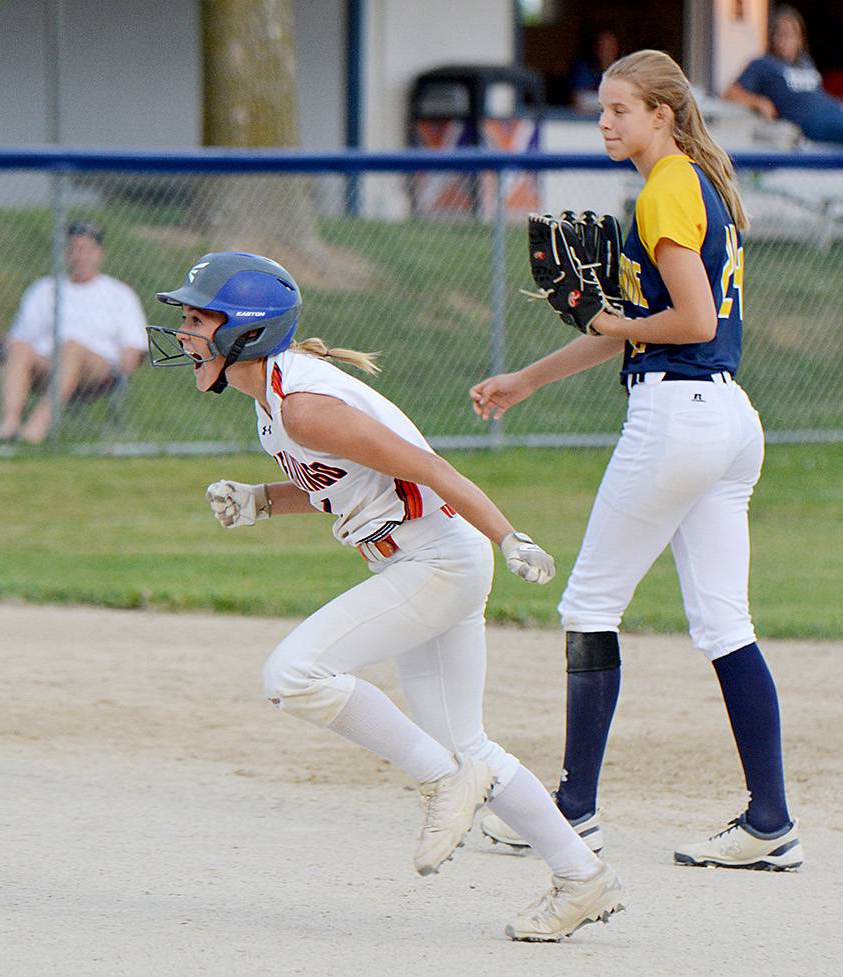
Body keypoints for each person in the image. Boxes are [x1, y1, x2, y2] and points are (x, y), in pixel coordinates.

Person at [145, 252, 626, 942]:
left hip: (434, 561)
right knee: (471, 744)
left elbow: (428, 466)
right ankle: (584, 876)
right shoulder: (276, 398)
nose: (185, 332)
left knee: (292, 674)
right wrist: (260, 502)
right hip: (427, 559)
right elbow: (341, 487)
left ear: (244, 332)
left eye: (197, 318)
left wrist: (507, 535)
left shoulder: (304, 405)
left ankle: (438, 782)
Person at [471, 50, 803, 871]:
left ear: (663, 112)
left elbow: (686, 319)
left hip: (677, 412)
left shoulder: (664, 188)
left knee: (588, 603)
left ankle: (572, 811)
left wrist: (610, 320)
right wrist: (524, 381)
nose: (606, 122)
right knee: (726, 623)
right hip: (727, 415)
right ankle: (769, 821)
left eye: (622, 109)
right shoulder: (694, 184)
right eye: (604, 111)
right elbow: (634, 324)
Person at [0, 220, 145, 443]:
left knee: (71, 346)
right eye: (74, 249)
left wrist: (124, 369)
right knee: (23, 349)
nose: (80, 256)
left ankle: (36, 429)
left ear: (100, 253)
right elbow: (18, 340)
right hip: (48, 366)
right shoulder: (44, 290)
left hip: (98, 371)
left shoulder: (119, 294)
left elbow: (134, 347)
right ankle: (9, 426)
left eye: (86, 250)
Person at [723, 5, 843, 150]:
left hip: (832, 110)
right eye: (781, 33)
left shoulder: (805, 62)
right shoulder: (763, 64)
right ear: (773, 37)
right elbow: (730, 92)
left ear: (800, 39)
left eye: (791, 34)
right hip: (810, 121)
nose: (785, 39)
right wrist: (757, 101)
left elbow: (816, 93)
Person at [568, 28, 621, 111]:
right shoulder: (584, 70)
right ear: (597, 48)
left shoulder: (626, 73)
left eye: (611, 46)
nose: (606, 51)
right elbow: (578, 100)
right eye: (603, 46)